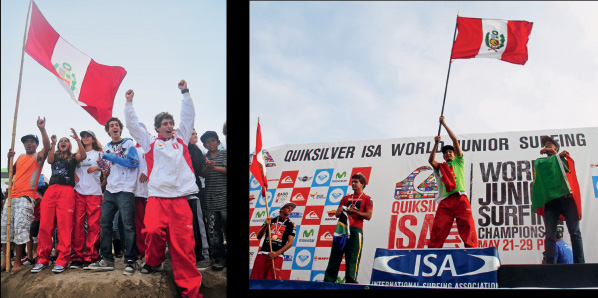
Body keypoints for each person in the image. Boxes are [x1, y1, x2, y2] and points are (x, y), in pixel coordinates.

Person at [124, 80, 202, 298]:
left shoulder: (182, 139)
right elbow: (132, 125)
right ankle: (154, 261)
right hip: (157, 198)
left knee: (183, 246)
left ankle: (191, 293)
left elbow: (188, 116)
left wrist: (185, 93)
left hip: (180, 200)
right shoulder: (149, 142)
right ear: (157, 127)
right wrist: (129, 103)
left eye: (171, 123)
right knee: (151, 231)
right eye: (165, 123)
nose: (169, 126)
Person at [87, 117, 140, 275]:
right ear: (108, 130)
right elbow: (107, 170)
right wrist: (103, 165)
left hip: (125, 189)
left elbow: (134, 162)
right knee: (105, 224)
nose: (114, 127)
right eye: (111, 126)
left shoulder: (129, 143)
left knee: (128, 226)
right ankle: (107, 259)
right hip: (110, 189)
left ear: (120, 129)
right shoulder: (107, 147)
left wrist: (110, 157)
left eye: (117, 125)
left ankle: (130, 260)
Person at [32, 129, 87, 274]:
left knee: (64, 225)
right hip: (51, 190)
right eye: (61, 141)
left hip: (67, 191)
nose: (63, 143)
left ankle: (63, 259)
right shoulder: (55, 155)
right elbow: (49, 160)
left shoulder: (74, 157)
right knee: (45, 225)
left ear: (69, 145)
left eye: (65, 141)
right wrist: (53, 143)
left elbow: (84, 155)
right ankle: (42, 259)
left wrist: (77, 139)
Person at [1, 117, 51, 272]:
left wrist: (42, 129)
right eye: (26, 142)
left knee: (21, 230)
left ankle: (17, 262)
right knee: (4, 228)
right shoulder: (21, 157)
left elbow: (47, 146)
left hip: (26, 197)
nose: (28, 144)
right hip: (11, 197)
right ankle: (5, 260)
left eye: (31, 141)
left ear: (36, 144)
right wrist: (9, 159)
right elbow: (11, 172)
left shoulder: (38, 158)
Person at [427, 116, 478, 249]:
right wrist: (436, 144)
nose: (448, 154)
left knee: (467, 225)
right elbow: (431, 161)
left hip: (461, 198)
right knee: (439, 228)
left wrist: (444, 124)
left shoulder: (459, 162)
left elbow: (455, 140)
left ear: (455, 155)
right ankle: (432, 253)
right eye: (446, 153)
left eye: (451, 152)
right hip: (446, 201)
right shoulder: (441, 167)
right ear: (443, 157)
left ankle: (471, 251)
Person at [532, 136, 584, 264]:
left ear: (556, 148)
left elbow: (566, 171)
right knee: (550, 234)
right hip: (551, 203)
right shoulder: (540, 162)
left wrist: (557, 156)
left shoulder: (562, 159)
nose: (547, 145)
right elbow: (541, 168)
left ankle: (580, 264)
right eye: (546, 144)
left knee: (575, 232)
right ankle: (550, 265)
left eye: (551, 143)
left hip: (567, 200)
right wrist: (555, 156)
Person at [324, 173, 373, 283]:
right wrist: (344, 210)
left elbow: (368, 216)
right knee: (335, 256)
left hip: (356, 230)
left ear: (362, 184)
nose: (353, 184)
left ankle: (351, 282)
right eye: (353, 181)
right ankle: (328, 281)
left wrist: (354, 211)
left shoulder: (367, 198)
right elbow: (337, 213)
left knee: (353, 258)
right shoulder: (346, 198)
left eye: (356, 182)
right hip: (342, 229)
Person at [70, 130, 104, 269]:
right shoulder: (77, 156)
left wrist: (99, 166)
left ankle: (90, 256)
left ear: (94, 139)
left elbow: (108, 168)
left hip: (94, 193)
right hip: (78, 192)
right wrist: (72, 173)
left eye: (88, 136)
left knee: (94, 226)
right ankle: (78, 256)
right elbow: (68, 167)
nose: (85, 138)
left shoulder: (99, 154)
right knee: (77, 225)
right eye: (83, 136)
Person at [200, 130, 227, 271]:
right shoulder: (203, 157)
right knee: (214, 233)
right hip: (209, 200)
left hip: (224, 198)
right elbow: (202, 174)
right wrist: (208, 168)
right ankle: (219, 258)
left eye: (213, 140)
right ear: (204, 145)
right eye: (207, 142)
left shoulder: (225, 154)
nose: (210, 144)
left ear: (218, 142)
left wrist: (214, 167)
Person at [250, 202, 296, 280]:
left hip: (277, 256)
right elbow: (258, 236)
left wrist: (276, 253)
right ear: (281, 209)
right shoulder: (271, 220)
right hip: (263, 253)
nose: (290, 210)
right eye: (288, 208)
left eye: (291, 209)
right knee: (256, 279)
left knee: (270, 281)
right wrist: (265, 225)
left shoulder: (291, 224)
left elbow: (290, 243)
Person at [188, 129, 211, 270]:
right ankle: (184, 254)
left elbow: (202, 170)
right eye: (192, 133)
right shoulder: (173, 146)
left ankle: (203, 255)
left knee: (198, 224)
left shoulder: (194, 151)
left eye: (195, 133)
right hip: (176, 194)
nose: (194, 136)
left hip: (193, 193)